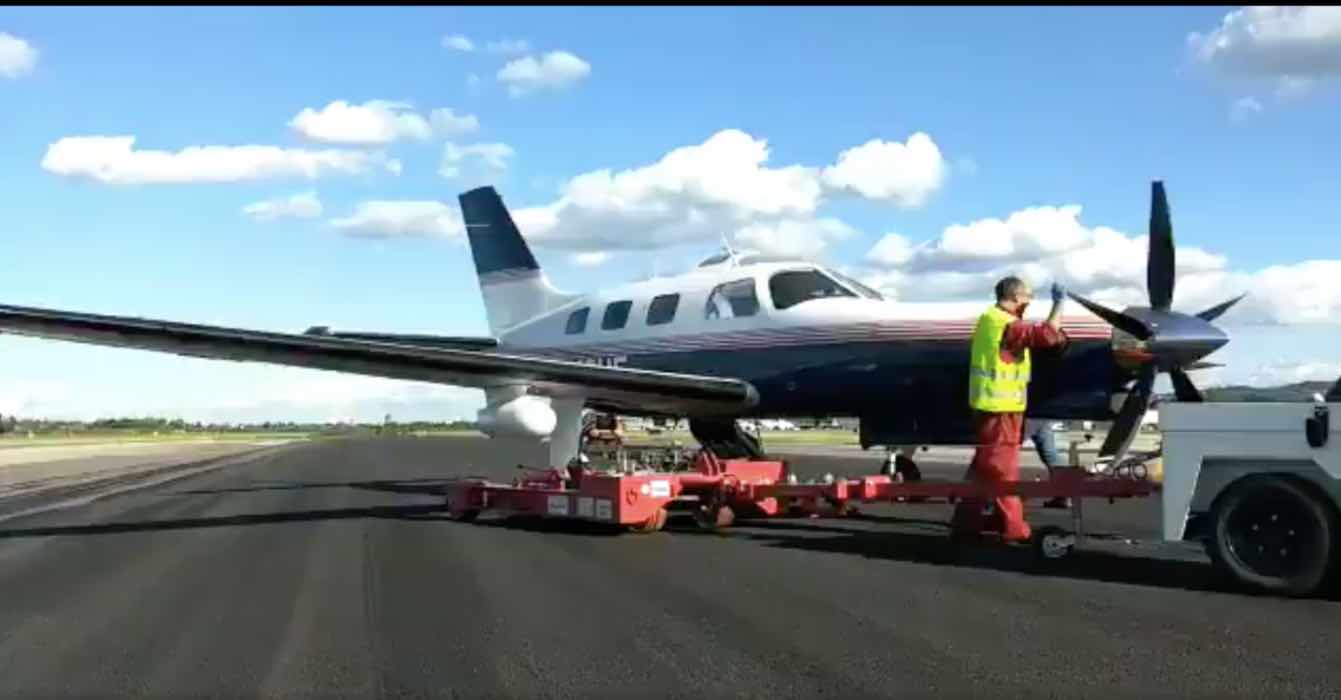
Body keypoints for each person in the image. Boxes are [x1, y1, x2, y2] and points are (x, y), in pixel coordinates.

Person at [950, 276, 1069, 543]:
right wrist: (1059, 305)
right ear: (1015, 296)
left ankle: (966, 523)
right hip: (1000, 409)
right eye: (1028, 296)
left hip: (992, 406)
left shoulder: (991, 320)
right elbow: (1048, 336)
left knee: (983, 469)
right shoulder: (1005, 323)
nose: (1029, 301)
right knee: (1004, 473)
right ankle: (1014, 528)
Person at [1024, 417, 1071, 509]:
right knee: (1050, 455)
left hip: (1022, 416)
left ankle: (994, 499)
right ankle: (1064, 495)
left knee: (1003, 451)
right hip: (1040, 416)